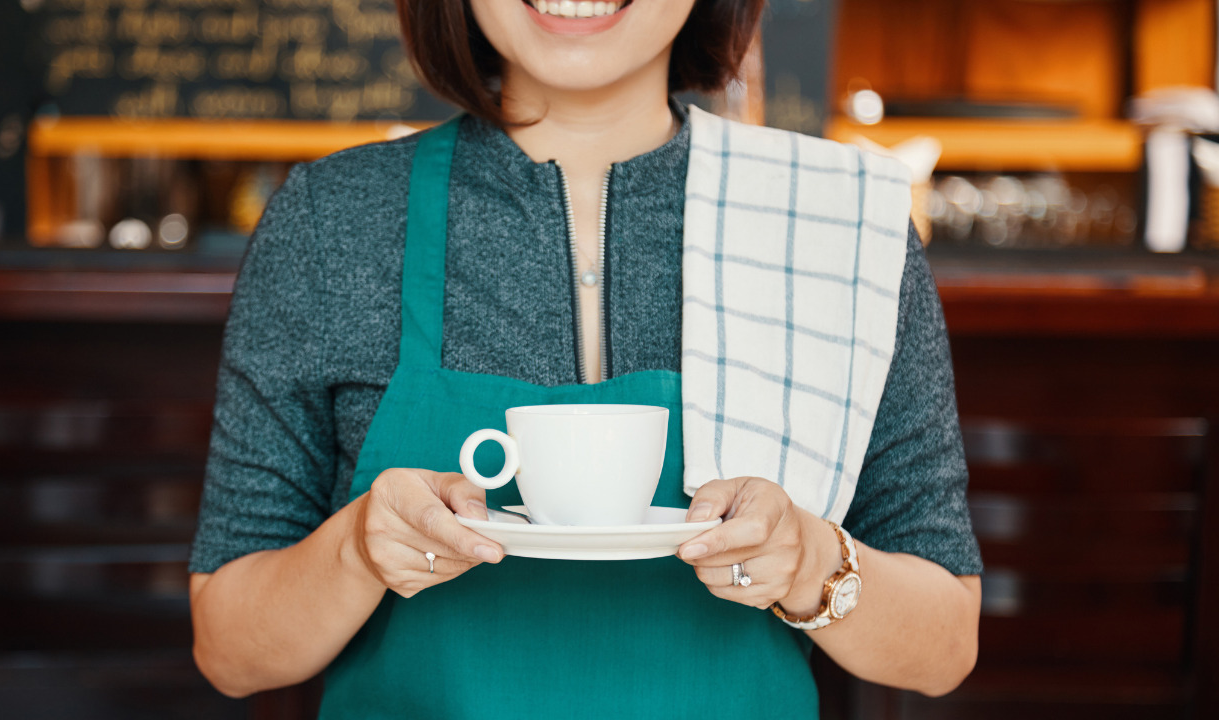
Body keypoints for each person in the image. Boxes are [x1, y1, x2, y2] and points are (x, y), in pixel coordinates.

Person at [188, 0, 982, 716]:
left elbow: (944, 645)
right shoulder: (334, 221)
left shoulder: (834, 225)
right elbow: (229, 651)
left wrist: (809, 559)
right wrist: (357, 549)